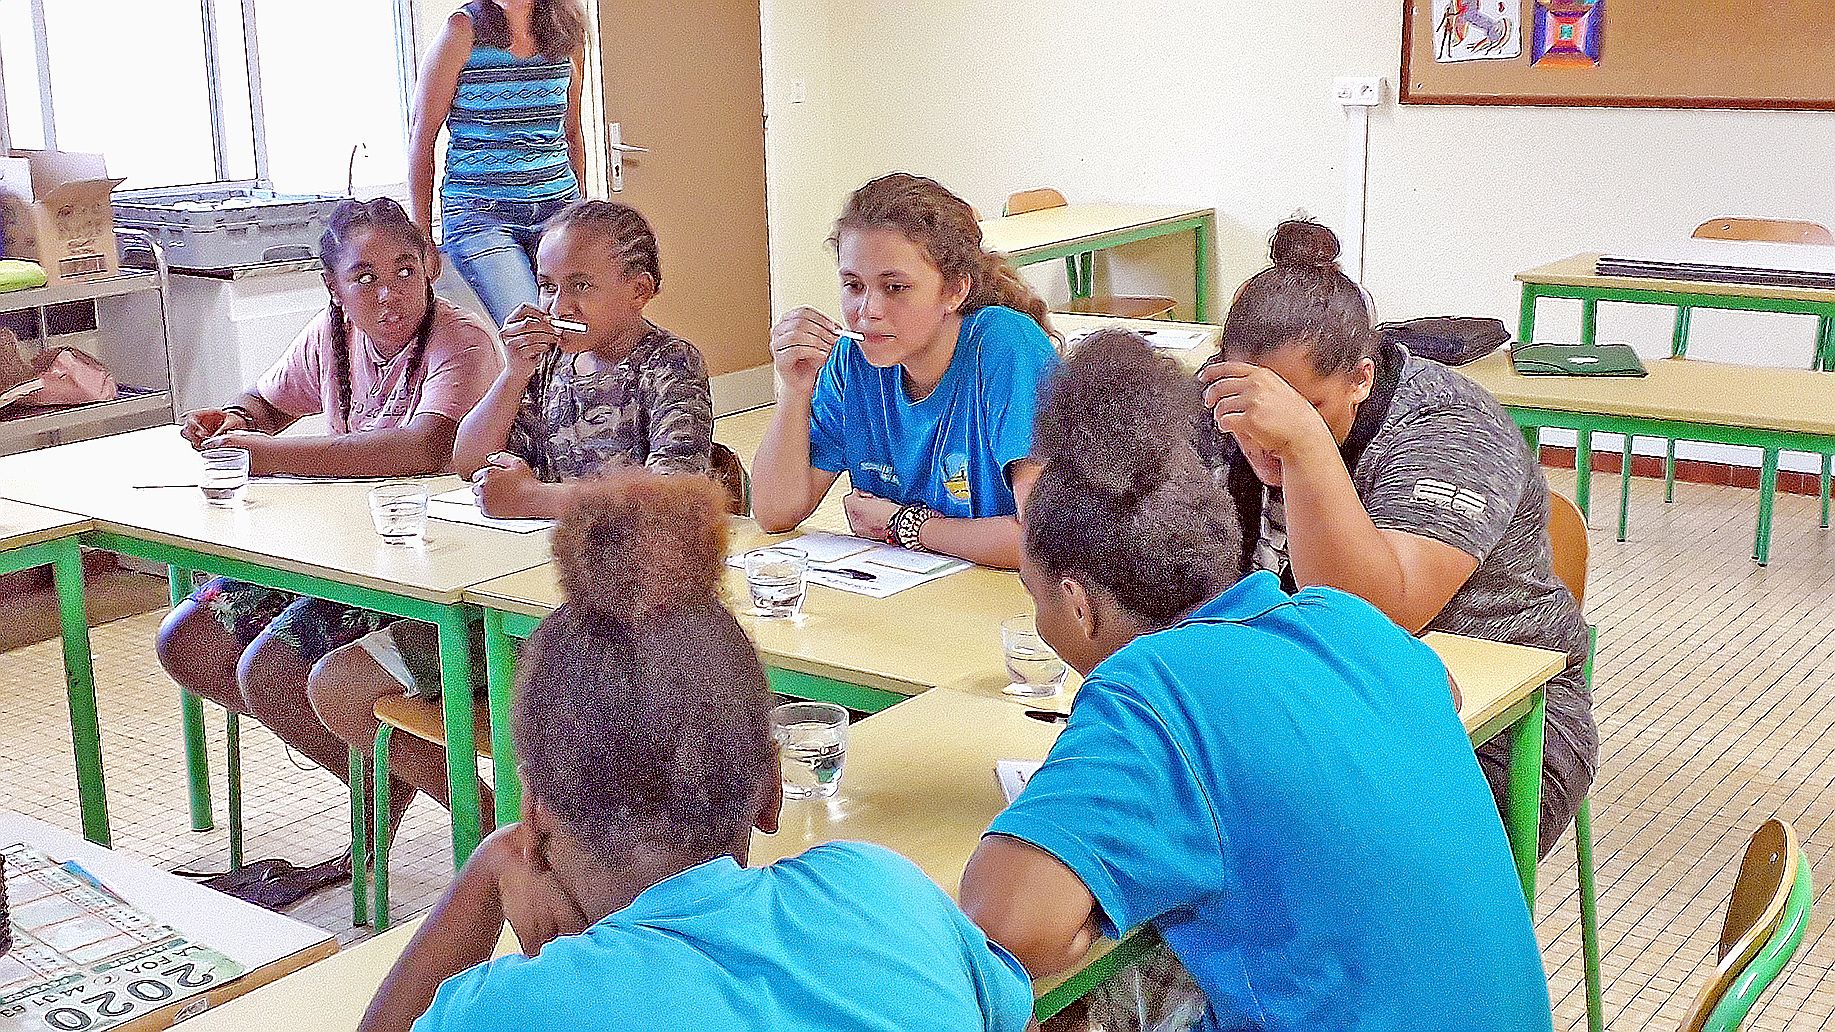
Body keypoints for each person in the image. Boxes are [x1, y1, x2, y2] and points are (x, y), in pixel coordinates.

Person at [959, 330, 1552, 1032]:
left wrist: (1099, 909)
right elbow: (1443, 693)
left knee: (1041, 1013)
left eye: (1035, 596)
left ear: (1079, 604)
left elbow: (1003, 926)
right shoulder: (1341, 618)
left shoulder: (1149, 688)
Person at [355, 472, 1035, 1032]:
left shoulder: (518, 1009)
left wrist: (487, 869)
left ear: (532, 813)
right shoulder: (884, 891)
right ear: (771, 786)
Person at [309, 199, 711, 844]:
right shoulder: (546, 363)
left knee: (557, 719)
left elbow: (673, 494)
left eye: (580, 286)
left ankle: (572, 842)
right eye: (549, 286)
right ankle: (500, 827)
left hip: (618, 619)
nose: (560, 306)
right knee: (340, 681)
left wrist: (535, 500)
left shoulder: (670, 366)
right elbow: (467, 458)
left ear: (640, 291)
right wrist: (517, 368)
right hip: (511, 596)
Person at [1197, 219, 1593, 857]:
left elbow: (1374, 615)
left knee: (1287, 867)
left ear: (1360, 376)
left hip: (1503, 732)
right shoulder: (1226, 403)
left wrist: (1302, 445)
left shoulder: (1449, 427)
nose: (1261, 438)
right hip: (1301, 701)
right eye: (1255, 408)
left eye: (1306, 408)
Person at [158, 197, 500, 906]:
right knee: (187, 641)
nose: (389, 294)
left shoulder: (458, 342)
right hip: (341, 549)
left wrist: (269, 457)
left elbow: (422, 447)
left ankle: (469, 807)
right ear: (333, 288)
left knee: (273, 671)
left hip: (425, 564)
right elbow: (269, 401)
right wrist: (238, 420)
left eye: (406, 271)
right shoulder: (329, 336)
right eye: (365, 278)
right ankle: (380, 773)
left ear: (431, 270)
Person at [750, 173, 1059, 570]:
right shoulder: (852, 360)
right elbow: (776, 514)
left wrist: (907, 526)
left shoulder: (1005, 347)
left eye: (894, 287)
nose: (868, 311)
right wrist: (795, 388)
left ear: (954, 291)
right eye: (853, 285)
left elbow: (1044, 543)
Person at [411, 0, 587, 327]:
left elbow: (572, 132)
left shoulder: (567, 31)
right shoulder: (461, 32)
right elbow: (422, 139)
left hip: (559, 207)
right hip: (480, 214)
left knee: (580, 325)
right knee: (532, 329)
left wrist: (582, 213)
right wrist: (422, 236)